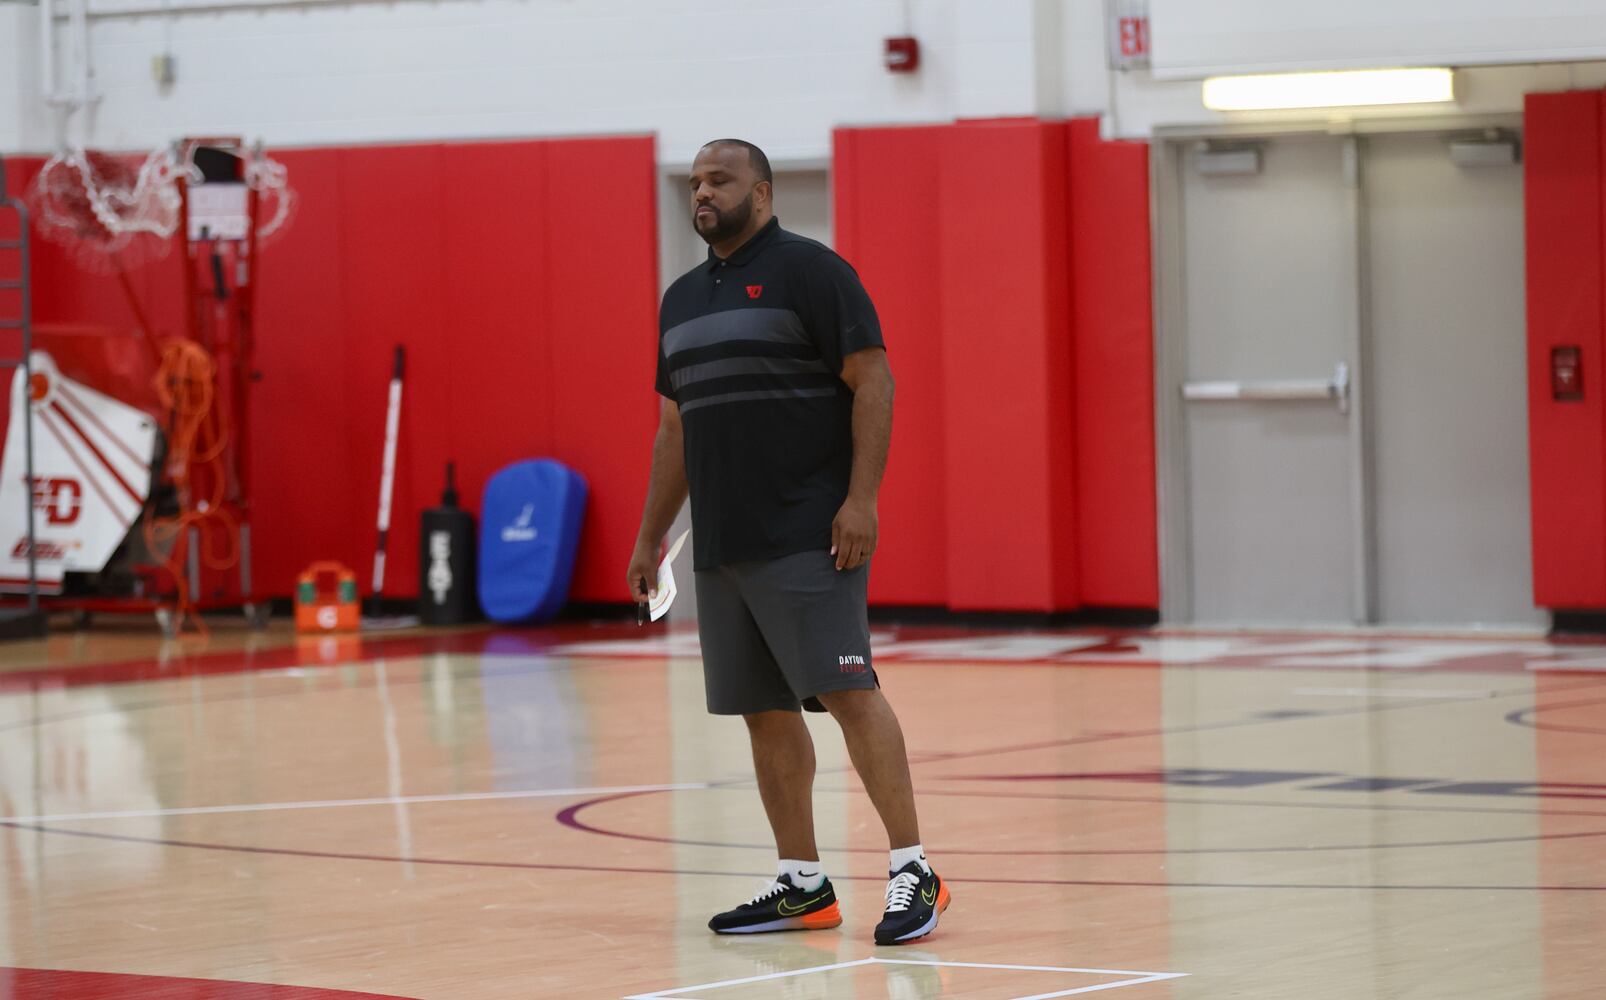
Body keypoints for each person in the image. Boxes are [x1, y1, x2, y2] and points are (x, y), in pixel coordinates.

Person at [627, 138, 949, 946]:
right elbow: (674, 429)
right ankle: (802, 883)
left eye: (719, 180)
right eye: (696, 182)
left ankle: (915, 870)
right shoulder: (680, 300)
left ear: (761, 193)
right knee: (763, 713)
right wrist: (650, 536)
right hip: (722, 546)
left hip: (810, 533)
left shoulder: (814, 272)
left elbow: (874, 380)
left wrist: (861, 501)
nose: (703, 192)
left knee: (849, 693)